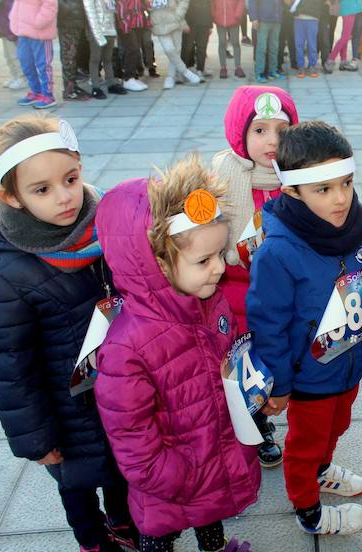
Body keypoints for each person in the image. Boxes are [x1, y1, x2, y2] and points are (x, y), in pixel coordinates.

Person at [0, 115, 138, 552]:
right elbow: (11, 369)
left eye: (70, 179)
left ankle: (124, 523)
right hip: (65, 411)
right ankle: (93, 539)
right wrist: (36, 438)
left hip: (119, 390)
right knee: (77, 484)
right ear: (12, 196)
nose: (65, 197)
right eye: (42, 189)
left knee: (122, 470)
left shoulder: (106, 226)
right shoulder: (5, 275)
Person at [95, 155, 259, 552]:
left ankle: (214, 546)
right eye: (203, 260)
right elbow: (130, 432)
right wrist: (173, 476)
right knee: (160, 534)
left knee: (211, 513)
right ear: (155, 264)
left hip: (212, 451)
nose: (219, 268)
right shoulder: (127, 346)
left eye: (219, 254)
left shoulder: (211, 302)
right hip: (170, 480)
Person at [246, 121, 362, 536]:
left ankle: (322, 470)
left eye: (346, 183)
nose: (341, 198)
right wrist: (279, 383)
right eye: (323, 189)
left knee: (337, 425)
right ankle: (307, 507)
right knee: (305, 443)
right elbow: (268, 326)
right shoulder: (278, 252)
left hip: (351, 363)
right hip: (307, 376)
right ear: (292, 191)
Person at [143, 0, 202, 89]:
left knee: (176, 50)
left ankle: (170, 77)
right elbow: (143, 2)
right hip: (158, 23)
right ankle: (185, 72)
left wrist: (178, 15)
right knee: (169, 49)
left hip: (175, 21)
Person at [10, 0, 59, 108]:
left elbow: (50, 4)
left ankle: (48, 94)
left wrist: (39, 22)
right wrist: (14, 19)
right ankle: (35, 91)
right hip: (23, 30)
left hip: (40, 31)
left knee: (43, 64)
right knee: (26, 62)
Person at [81, 0, 125, 99]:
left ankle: (111, 83)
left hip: (109, 29)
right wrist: (98, 34)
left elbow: (111, 10)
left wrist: (113, 29)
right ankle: (95, 86)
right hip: (97, 31)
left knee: (108, 57)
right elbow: (91, 14)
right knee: (95, 58)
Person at [54, 0, 91, 101]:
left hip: (78, 15)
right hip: (66, 17)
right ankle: (68, 88)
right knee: (68, 52)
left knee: (73, 52)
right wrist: (67, 8)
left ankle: (72, 84)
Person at [110, 0, 149, 91]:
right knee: (132, 48)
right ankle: (128, 78)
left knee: (135, 48)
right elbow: (120, 1)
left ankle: (131, 76)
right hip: (126, 21)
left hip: (136, 19)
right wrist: (124, 22)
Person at [289, 0, 328, 78]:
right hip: (298, 16)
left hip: (312, 16)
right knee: (299, 44)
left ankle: (312, 66)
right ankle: (301, 66)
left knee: (312, 44)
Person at [179, 0, 214, 78]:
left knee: (202, 46)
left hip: (204, 18)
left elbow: (209, 1)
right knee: (187, 46)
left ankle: (200, 68)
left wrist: (210, 23)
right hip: (190, 19)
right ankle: (183, 70)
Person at [211, 0, 246, 78]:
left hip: (234, 17)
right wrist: (214, 13)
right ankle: (223, 67)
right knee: (222, 42)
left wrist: (238, 14)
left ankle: (238, 66)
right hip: (219, 17)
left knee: (235, 42)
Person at [249, 0, 284, 81]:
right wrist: (254, 18)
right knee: (262, 48)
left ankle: (273, 70)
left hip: (276, 20)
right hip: (263, 20)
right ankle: (259, 72)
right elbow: (252, 1)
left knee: (274, 47)